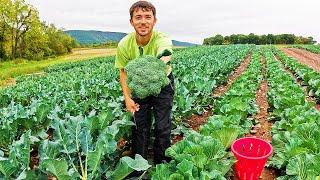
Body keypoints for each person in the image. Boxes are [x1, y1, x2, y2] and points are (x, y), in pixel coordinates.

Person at [114, 0, 174, 164]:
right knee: (139, 127)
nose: (143, 21)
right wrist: (127, 98)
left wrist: (161, 61)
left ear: (154, 20)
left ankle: (162, 164)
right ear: (131, 21)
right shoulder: (124, 44)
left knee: (162, 127)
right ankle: (139, 165)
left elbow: (165, 53)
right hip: (138, 86)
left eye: (148, 17)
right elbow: (123, 72)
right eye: (138, 17)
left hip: (162, 83)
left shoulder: (162, 39)